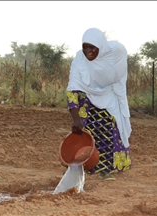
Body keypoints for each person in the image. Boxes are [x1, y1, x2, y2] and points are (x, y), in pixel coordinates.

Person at [66, 28, 132, 176]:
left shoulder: (116, 53)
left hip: (110, 97)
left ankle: (111, 168)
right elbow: (72, 90)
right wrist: (76, 119)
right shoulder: (79, 60)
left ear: (100, 47)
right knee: (89, 132)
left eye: (92, 47)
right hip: (88, 100)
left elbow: (118, 74)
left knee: (110, 130)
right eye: (84, 47)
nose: (87, 51)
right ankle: (89, 166)